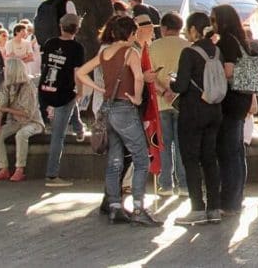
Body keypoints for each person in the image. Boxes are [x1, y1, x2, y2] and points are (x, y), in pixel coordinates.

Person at [75, 16, 161, 227]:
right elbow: (139, 78)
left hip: (108, 107)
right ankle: (139, 208)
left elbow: (81, 72)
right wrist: (138, 97)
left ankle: (114, 206)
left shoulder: (105, 52)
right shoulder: (130, 52)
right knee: (141, 158)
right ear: (130, 34)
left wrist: (99, 89)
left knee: (115, 160)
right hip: (125, 107)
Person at [171, 12, 224, 225]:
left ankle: (197, 208)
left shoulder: (189, 53)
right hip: (215, 109)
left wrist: (171, 82)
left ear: (194, 29)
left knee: (191, 159)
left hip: (193, 112)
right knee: (210, 159)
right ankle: (214, 208)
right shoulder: (217, 51)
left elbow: (181, 86)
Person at [211, 4, 255, 215]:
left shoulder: (227, 41)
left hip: (229, 101)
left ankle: (228, 201)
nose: (212, 25)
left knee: (227, 152)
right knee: (237, 152)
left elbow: (228, 70)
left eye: (214, 20)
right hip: (241, 100)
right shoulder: (241, 41)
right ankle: (236, 197)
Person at [38, 13, 86, 187]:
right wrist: (80, 91)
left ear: (61, 26)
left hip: (46, 89)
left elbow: (45, 65)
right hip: (64, 92)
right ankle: (52, 175)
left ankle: (80, 128)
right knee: (58, 135)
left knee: (70, 106)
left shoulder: (50, 43)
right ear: (77, 29)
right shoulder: (77, 48)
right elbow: (77, 73)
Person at [149, 12, 189, 196]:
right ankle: (184, 185)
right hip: (183, 101)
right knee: (182, 145)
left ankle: (165, 184)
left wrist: (164, 92)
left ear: (163, 28)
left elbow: (149, 76)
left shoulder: (153, 47)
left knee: (164, 144)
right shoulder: (188, 46)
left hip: (161, 103)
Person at [0, 58, 45, 182]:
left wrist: (8, 110)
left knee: (21, 135)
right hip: (15, 121)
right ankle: (3, 168)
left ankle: (20, 169)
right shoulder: (7, 86)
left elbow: (27, 113)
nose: (4, 70)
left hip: (33, 122)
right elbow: (1, 106)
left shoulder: (28, 87)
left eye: (6, 68)